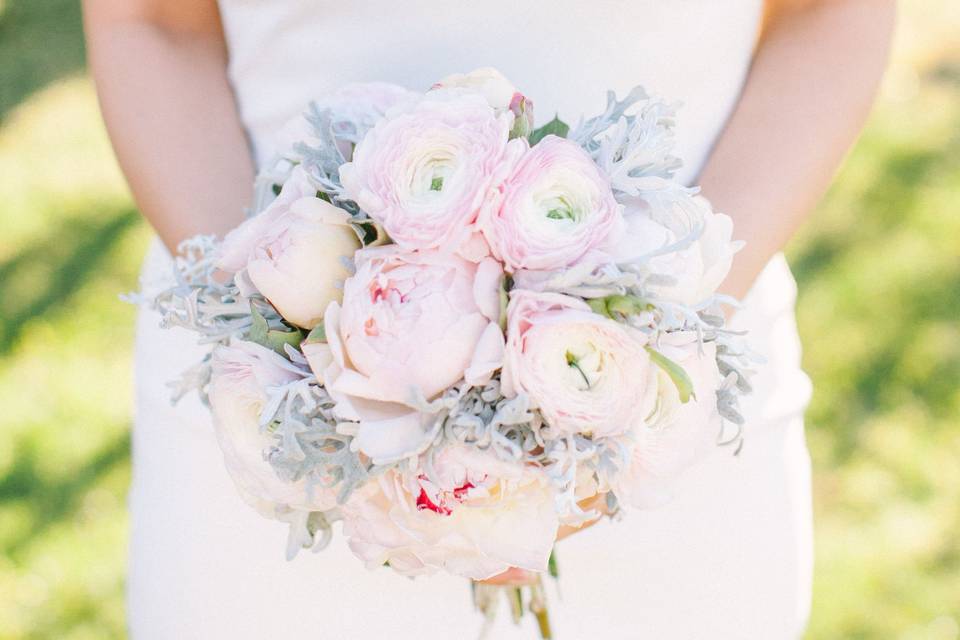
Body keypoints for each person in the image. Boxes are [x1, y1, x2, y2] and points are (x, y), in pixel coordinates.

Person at [83, 1, 894, 637]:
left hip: (674, 417)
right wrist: (291, 332)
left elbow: (831, 11)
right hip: (277, 433)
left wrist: (646, 339)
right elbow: (151, 20)